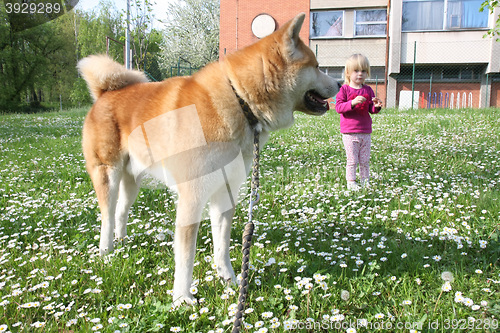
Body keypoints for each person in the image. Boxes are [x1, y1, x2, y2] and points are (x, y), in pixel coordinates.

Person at [335, 54, 383, 191]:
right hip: (349, 133)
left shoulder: (367, 89)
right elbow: (338, 107)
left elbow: (371, 109)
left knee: (364, 160)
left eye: (363, 71)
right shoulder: (344, 89)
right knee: (352, 160)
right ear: (348, 73)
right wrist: (352, 103)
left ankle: (365, 181)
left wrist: (377, 107)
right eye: (356, 70)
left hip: (365, 132)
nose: (360, 74)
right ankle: (351, 182)